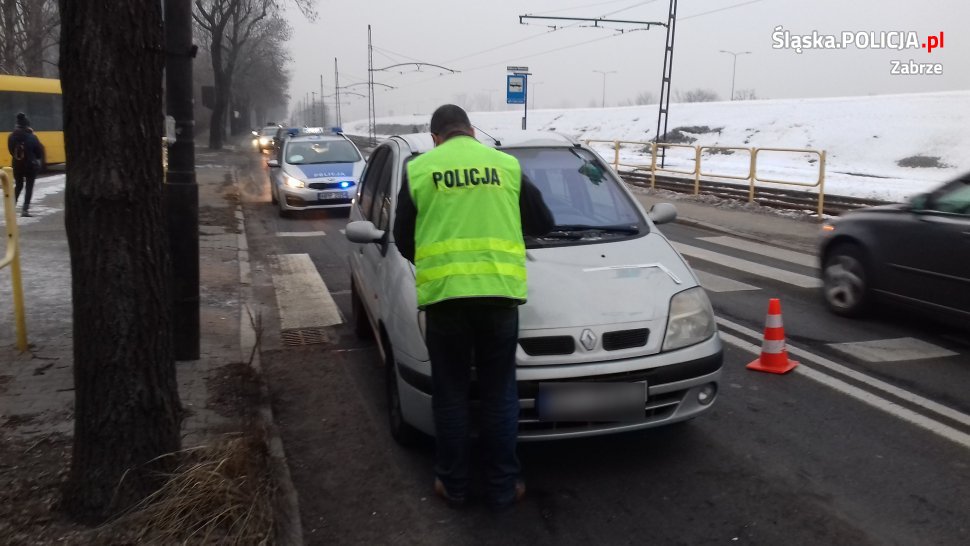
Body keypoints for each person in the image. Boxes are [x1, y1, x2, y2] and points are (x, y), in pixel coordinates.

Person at [393, 104, 554, 510]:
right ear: (472, 131)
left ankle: (453, 484)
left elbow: (403, 240)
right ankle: (503, 487)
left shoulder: (419, 170)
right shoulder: (506, 166)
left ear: (436, 137)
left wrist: (436, 264)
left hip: (446, 301)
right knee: (500, 393)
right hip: (499, 298)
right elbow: (542, 223)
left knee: (450, 394)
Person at [7, 112, 45, 217]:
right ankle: (25, 210)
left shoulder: (11, 137)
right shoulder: (32, 137)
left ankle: (11, 208)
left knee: (18, 185)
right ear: (27, 125)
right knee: (29, 187)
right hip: (30, 166)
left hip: (17, 165)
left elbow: (11, 151)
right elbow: (39, 153)